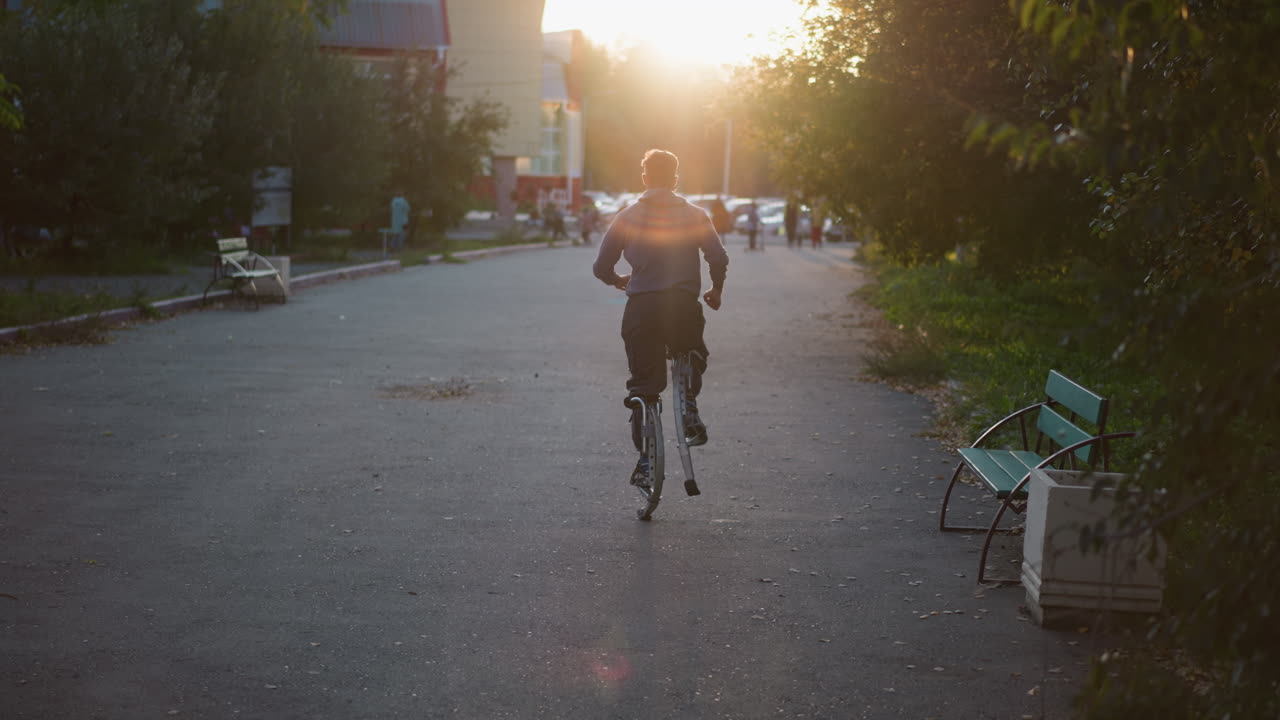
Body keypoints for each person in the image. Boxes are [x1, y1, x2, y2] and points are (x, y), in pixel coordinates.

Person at [592, 149, 729, 487]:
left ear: (644, 177)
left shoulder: (627, 216)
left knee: (644, 386)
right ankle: (689, 406)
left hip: (642, 308)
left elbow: (600, 267)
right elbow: (718, 257)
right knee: (693, 352)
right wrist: (716, 289)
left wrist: (618, 280)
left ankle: (645, 462)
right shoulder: (696, 214)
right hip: (682, 306)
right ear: (675, 178)